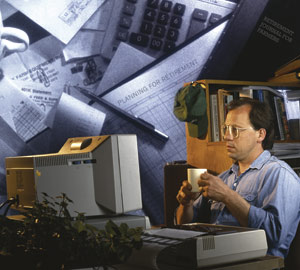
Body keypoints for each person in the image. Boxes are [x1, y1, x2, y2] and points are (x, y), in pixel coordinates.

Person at [176, 97, 300, 258]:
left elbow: (275, 236)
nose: (227, 136)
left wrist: (228, 196)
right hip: (212, 258)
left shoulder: (279, 175)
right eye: (225, 129)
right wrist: (187, 204)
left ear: (260, 134)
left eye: (235, 130)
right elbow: (184, 228)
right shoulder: (224, 177)